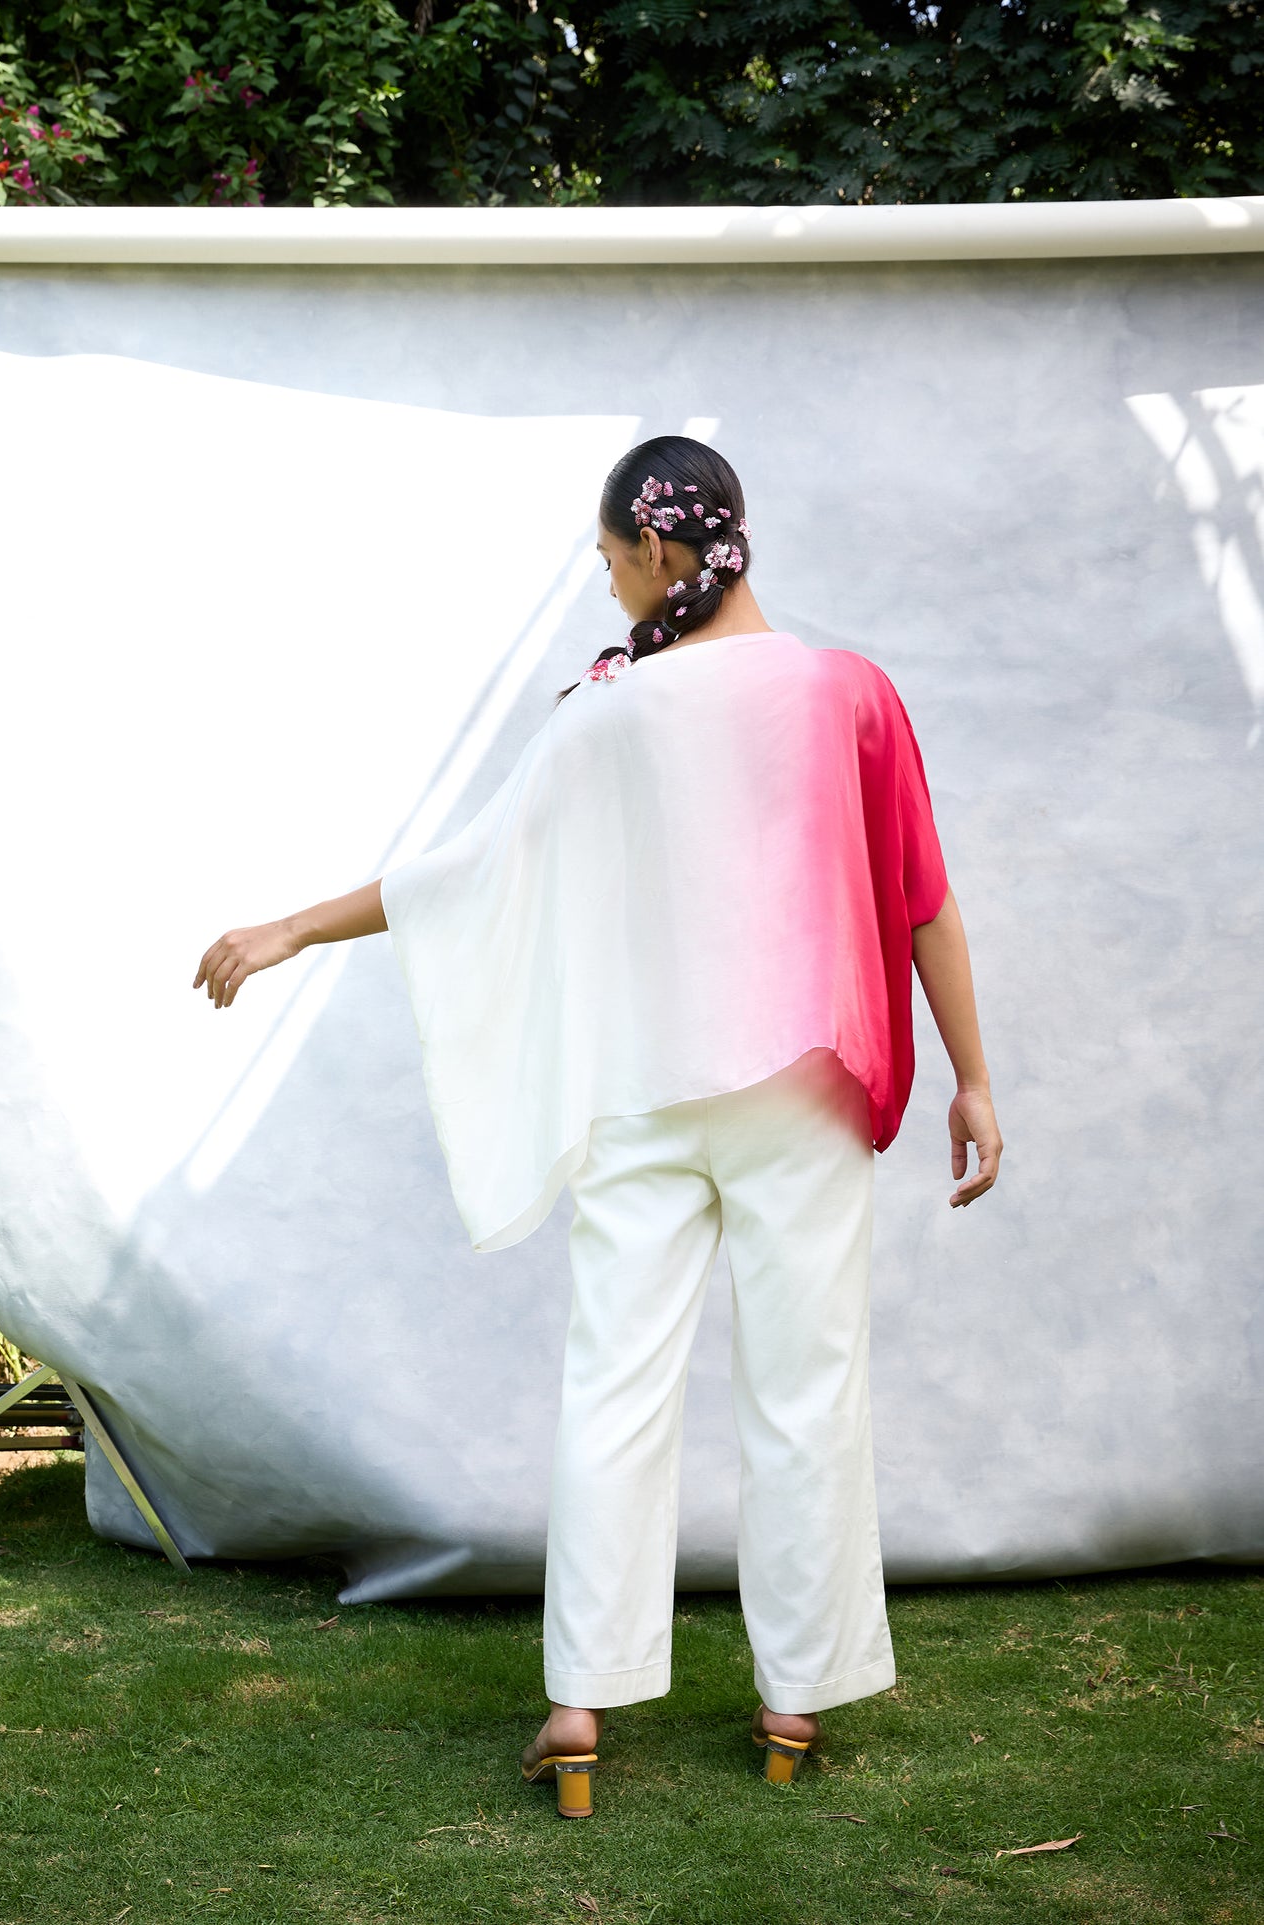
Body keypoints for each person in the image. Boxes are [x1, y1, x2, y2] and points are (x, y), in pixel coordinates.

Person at [193, 435, 1003, 1819]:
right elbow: (921, 899)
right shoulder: (847, 693)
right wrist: (973, 1079)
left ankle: (579, 1706)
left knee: (614, 1388)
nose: (608, 578)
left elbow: (465, 871)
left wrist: (291, 928)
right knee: (805, 1387)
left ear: (661, 550)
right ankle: (793, 1700)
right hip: (801, 1091)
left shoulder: (605, 713)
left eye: (612, 556)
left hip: (645, 1093)